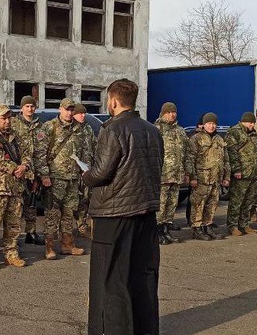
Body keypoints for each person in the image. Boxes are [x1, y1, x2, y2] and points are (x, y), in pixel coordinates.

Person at [82, 78, 162, 335]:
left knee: (111, 278)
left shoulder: (112, 130)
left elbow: (102, 172)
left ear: (114, 101)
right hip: (146, 211)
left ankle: (112, 330)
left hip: (114, 214)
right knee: (143, 275)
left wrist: (86, 175)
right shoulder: (152, 130)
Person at [0, 104, 32, 270]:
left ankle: (11, 253)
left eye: (9, 117)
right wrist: (13, 168)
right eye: (3, 118)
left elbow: (27, 154)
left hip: (16, 187)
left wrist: (24, 166)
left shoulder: (17, 136)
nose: (7, 121)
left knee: (14, 223)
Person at [40, 98, 86, 260]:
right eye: (66, 109)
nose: (69, 112)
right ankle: (49, 247)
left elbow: (83, 151)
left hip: (73, 178)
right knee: (52, 214)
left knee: (69, 213)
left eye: (72, 109)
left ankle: (67, 245)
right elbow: (40, 153)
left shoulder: (78, 129)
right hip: (55, 178)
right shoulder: (50, 127)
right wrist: (44, 175)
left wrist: (84, 171)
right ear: (60, 109)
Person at [154, 102, 193, 245]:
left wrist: (188, 172)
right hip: (162, 175)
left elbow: (187, 153)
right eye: (169, 112)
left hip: (177, 175)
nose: (172, 114)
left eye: (174, 112)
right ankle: (157, 232)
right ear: (163, 113)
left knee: (172, 205)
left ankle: (166, 230)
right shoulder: (156, 129)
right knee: (161, 204)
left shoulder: (180, 131)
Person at [225, 112, 257, 237]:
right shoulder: (235, 132)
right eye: (250, 122)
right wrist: (236, 170)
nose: (252, 125)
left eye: (253, 123)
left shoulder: (254, 135)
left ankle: (244, 224)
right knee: (236, 202)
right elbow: (232, 152)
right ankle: (232, 226)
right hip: (241, 174)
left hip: (253, 173)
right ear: (243, 122)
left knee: (248, 201)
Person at [189, 112, 229, 241]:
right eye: (209, 123)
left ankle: (208, 226)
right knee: (199, 204)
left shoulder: (219, 139)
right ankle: (197, 228)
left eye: (214, 124)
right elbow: (190, 159)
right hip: (202, 178)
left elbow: (225, 160)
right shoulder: (196, 139)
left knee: (212, 204)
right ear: (204, 124)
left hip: (216, 178)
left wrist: (226, 177)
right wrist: (192, 177)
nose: (212, 126)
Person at [11, 95, 46, 246]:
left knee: (32, 203)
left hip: (34, 170)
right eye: (27, 106)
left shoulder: (40, 126)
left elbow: (43, 149)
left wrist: (42, 171)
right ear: (21, 108)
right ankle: (13, 236)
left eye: (32, 106)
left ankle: (31, 233)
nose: (30, 109)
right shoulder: (13, 124)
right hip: (18, 170)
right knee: (16, 205)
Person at [72, 103, 95, 238]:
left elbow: (94, 145)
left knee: (86, 198)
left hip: (88, 170)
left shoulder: (88, 128)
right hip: (75, 171)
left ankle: (83, 225)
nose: (83, 115)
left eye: (84, 113)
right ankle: (75, 227)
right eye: (81, 113)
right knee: (76, 200)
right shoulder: (71, 129)